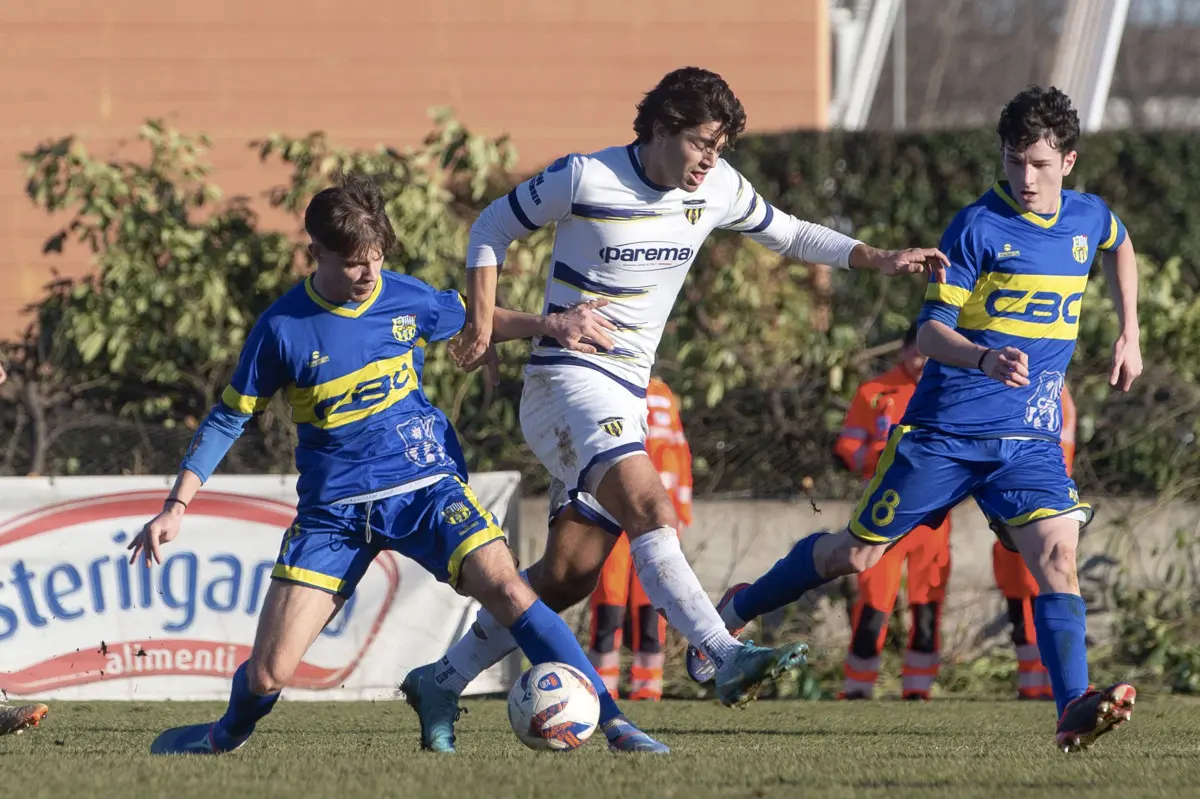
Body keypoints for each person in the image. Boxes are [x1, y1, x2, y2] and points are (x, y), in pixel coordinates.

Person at [401, 65, 948, 747]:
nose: (709, 160)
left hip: (624, 398)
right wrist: (482, 325)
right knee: (652, 507)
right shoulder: (585, 177)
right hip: (562, 381)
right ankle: (720, 652)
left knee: (567, 575)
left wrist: (881, 257)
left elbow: (793, 233)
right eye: (699, 143)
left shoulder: (715, 188)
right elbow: (489, 227)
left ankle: (440, 679)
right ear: (662, 127)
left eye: (720, 148)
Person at [130, 172, 666, 755]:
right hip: (333, 513)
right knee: (267, 676)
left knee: (510, 588)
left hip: (423, 488)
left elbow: (478, 321)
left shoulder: (405, 296)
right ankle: (221, 735)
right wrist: (175, 506)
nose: (369, 275)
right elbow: (229, 418)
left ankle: (614, 724)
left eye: (377, 258)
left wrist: (551, 325)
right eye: (354, 263)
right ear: (316, 253)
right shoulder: (281, 329)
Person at [693, 85, 1143, 753]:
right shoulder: (976, 228)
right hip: (946, 433)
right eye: (1014, 161)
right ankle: (732, 612)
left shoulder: (1086, 218)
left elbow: (1119, 241)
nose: (1024, 177)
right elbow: (930, 334)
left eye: (1040, 165)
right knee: (855, 553)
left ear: (1069, 163)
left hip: (1029, 439)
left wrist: (1128, 331)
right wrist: (983, 356)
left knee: (1056, 554)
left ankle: (1072, 706)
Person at [833, 323, 951, 701]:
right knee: (874, 601)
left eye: (929, 353)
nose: (922, 361)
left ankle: (919, 688)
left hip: (932, 518)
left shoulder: (950, 391)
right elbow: (848, 445)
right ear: (903, 351)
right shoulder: (874, 392)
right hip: (883, 513)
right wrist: (879, 456)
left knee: (927, 603)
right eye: (917, 351)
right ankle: (858, 686)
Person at [588, 376, 693, 701]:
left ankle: (649, 685)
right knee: (610, 598)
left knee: (653, 599)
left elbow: (679, 452)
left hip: (658, 515)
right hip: (614, 510)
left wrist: (683, 510)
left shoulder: (664, 392)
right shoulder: (606, 380)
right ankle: (603, 686)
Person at [995, 382, 1077, 700]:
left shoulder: (1049, 390)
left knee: (1040, 594)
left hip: (1033, 503)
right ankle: (1033, 683)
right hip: (1015, 505)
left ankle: (1049, 682)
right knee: (1022, 599)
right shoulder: (1041, 387)